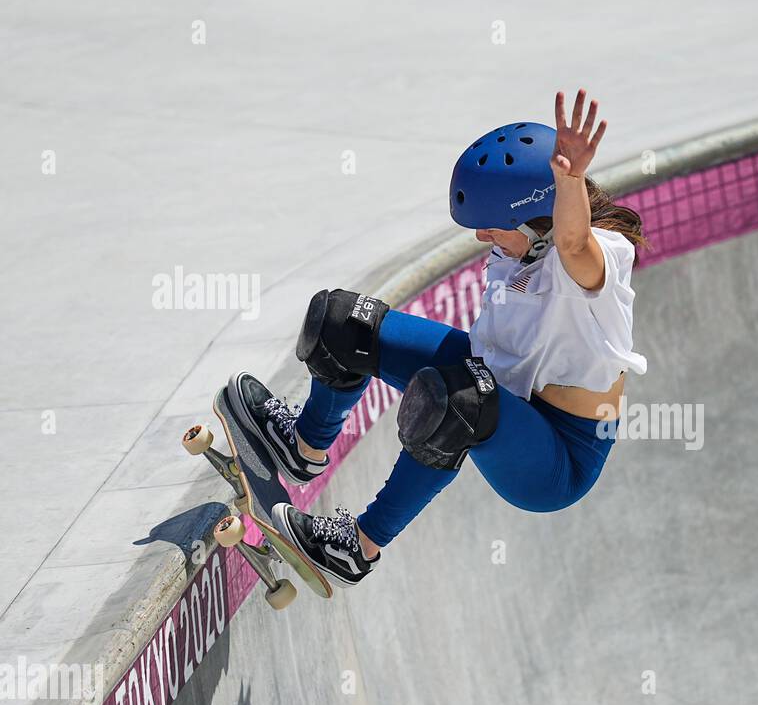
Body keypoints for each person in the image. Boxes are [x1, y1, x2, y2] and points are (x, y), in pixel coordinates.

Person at [228, 89, 648, 586]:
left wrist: (570, 181)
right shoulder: (519, 252)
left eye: (493, 228)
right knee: (341, 322)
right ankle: (303, 447)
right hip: (500, 389)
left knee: (459, 397)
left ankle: (356, 547)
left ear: (536, 222)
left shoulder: (597, 262)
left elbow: (574, 240)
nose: (481, 239)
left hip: (556, 459)